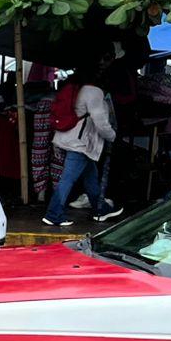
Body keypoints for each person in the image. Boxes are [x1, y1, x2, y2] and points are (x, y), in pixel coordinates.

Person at [44, 72, 122, 227]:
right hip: (81, 143)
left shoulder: (76, 88)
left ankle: (101, 209)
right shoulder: (94, 92)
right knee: (68, 178)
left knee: (90, 178)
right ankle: (53, 214)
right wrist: (112, 136)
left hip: (70, 138)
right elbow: (100, 120)